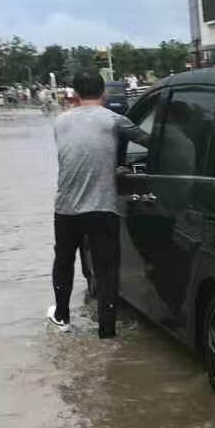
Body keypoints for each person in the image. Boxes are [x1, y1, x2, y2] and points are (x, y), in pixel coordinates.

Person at [48, 69, 151, 338]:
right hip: (102, 208)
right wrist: (117, 170)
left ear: (75, 94)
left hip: (66, 208)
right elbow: (149, 141)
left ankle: (62, 316)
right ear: (104, 93)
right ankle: (107, 331)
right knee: (107, 269)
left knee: (63, 262)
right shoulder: (115, 120)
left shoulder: (60, 122)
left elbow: (80, 155)